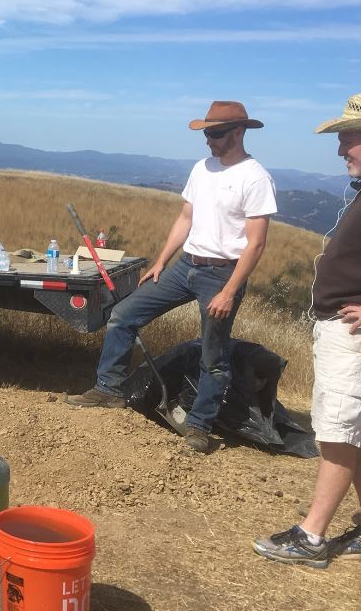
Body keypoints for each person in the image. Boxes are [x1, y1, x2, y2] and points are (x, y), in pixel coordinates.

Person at [68, 101, 277, 454]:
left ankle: (199, 426)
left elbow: (256, 244)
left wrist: (229, 291)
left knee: (214, 356)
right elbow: (185, 219)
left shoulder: (255, 177)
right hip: (185, 266)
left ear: (239, 132)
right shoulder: (202, 168)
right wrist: (161, 261)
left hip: (222, 274)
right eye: (206, 132)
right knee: (123, 316)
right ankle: (109, 389)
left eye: (216, 133)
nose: (208, 139)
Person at [254, 92, 361, 568]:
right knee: (352, 430)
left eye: (347, 140)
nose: (339, 151)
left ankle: (311, 538)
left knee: (336, 434)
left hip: (360, 338)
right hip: (354, 337)